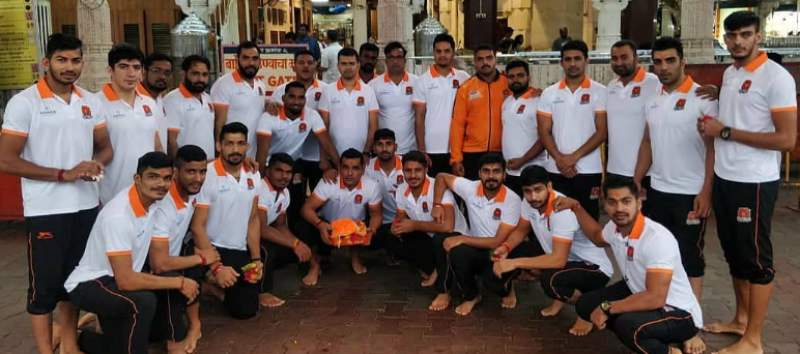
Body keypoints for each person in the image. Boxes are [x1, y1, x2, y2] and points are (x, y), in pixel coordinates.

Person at [0, 33, 113, 354]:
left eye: (76, 60)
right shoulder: (25, 102)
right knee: (43, 288)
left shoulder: (90, 102)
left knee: (74, 281)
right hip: (46, 209)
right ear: (47, 62)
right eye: (62, 60)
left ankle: (69, 345)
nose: (69, 67)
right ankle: (44, 349)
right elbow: (6, 160)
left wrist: (95, 163)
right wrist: (63, 174)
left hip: (86, 207)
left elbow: (106, 148)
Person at [697, 11, 797, 354]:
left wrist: (723, 131)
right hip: (726, 177)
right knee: (734, 254)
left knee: (756, 260)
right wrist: (719, 98)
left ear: (759, 36)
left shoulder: (777, 78)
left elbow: (786, 140)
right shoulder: (730, 72)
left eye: (745, 35)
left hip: (754, 182)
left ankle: (753, 340)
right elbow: (740, 108)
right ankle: (741, 320)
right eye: (731, 35)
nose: (737, 41)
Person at [64, 152, 201, 354]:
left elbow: (200, 175)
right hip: (92, 283)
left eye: (166, 178)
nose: (161, 184)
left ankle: (80, 338)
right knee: (144, 301)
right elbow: (126, 281)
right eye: (153, 177)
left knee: (164, 285)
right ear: (137, 179)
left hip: (121, 280)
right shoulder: (119, 215)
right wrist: (181, 283)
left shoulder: (153, 201)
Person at [555, 176, 706, 354]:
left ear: (638, 204)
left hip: (679, 312)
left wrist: (607, 308)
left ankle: (670, 350)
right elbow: (596, 236)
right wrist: (576, 207)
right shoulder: (614, 227)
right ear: (604, 205)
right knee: (585, 304)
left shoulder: (657, 238)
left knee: (628, 326)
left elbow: (656, 297)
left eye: (626, 201)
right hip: (640, 291)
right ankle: (649, 333)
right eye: (612, 202)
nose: (619, 208)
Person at [634, 37, 718, 303]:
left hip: (690, 193)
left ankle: (691, 316)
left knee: (690, 256)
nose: (663, 67)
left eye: (670, 61)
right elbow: (648, 141)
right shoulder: (653, 100)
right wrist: (636, 179)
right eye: (657, 62)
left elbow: (714, 149)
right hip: (658, 191)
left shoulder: (703, 98)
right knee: (661, 253)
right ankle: (666, 305)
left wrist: (706, 192)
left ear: (683, 62)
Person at [492, 166, 613, 336]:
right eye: (527, 191)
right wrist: (505, 248)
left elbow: (558, 260)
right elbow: (521, 230)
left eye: (538, 190)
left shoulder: (561, 210)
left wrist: (514, 263)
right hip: (565, 259)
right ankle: (561, 299)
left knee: (551, 281)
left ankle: (589, 307)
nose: (533, 197)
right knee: (514, 250)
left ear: (549, 187)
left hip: (594, 268)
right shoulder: (528, 203)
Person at [428, 153, 522, 315]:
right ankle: (470, 296)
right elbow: (441, 177)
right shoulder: (471, 187)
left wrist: (462, 238)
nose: (491, 176)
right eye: (486, 171)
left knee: (492, 283)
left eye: (496, 171)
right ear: (479, 174)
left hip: (500, 251)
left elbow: (496, 241)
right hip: (476, 247)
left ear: (504, 175)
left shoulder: (512, 200)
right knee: (449, 246)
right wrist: (437, 205)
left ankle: (508, 289)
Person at [147, 145, 220, 353]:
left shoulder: (193, 191)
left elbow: (225, 162)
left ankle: (194, 325)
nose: (198, 178)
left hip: (170, 260)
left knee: (193, 257)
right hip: (147, 269)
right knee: (183, 271)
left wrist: (249, 163)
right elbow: (159, 263)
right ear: (176, 173)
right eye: (191, 172)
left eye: (203, 171)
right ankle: (175, 342)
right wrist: (202, 259)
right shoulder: (163, 204)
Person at [190, 122, 263, 319]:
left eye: (240, 144)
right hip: (210, 247)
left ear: (247, 147)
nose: (235, 149)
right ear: (219, 146)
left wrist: (256, 259)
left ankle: (212, 288)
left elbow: (253, 219)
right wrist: (217, 267)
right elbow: (197, 227)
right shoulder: (206, 175)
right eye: (229, 144)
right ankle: (208, 278)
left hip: (238, 249)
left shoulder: (254, 175)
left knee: (247, 310)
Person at [537, 40, 607, 220]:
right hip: (556, 168)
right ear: (561, 62)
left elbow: (602, 132)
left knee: (588, 218)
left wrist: (572, 158)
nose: (573, 63)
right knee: (558, 218)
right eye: (568, 59)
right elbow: (544, 132)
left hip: (588, 170)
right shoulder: (549, 93)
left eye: (577, 58)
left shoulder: (600, 92)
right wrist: (560, 160)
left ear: (586, 60)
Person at [265, 50, 332, 234]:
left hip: (319, 157)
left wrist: (325, 158)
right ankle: (295, 237)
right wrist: (267, 104)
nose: (306, 66)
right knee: (295, 200)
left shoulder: (325, 89)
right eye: (301, 62)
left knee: (320, 200)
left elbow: (324, 125)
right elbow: (273, 114)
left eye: (310, 62)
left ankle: (319, 240)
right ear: (293, 66)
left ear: (315, 66)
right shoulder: (282, 90)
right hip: (295, 157)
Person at [388, 151, 469, 287]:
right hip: (429, 236)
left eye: (418, 170)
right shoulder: (401, 190)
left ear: (426, 170)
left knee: (440, 239)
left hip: (455, 239)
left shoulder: (437, 188)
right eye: (408, 170)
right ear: (402, 171)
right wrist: (396, 227)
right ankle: (433, 268)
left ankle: (442, 271)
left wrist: (413, 225)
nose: (413, 175)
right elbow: (400, 219)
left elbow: (448, 227)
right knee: (392, 239)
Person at [98, 43, 165, 205]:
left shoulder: (149, 102)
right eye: (123, 67)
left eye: (136, 68)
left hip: (148, 195)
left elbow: (156, 147)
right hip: (110, 196)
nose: (131, 73)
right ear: (110, 71)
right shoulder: (96, 103)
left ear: (142, 72)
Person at [300, 148, 383, 275]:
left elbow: (376, 215)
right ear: (339, 168)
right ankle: (314, 265)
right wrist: (320, 224)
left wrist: (372, 229)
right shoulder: (328, 182)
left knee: (372, 228)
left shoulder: (371, 185)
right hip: (328, 227)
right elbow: (306, 209)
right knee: (302, 227)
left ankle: (355, 258)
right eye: (345, 167)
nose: (349, 173)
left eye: (355, 168)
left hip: (354, 227)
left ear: (362, 169)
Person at [605, 40, 661, 212]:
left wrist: (714, 89)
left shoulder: (654, 83)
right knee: (620, 221)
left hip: (646, 172)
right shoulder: (611, 86)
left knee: (645, 223)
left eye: (624, 57)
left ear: (636, 58)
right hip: (615, 170)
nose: (619, 62)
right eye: (614, 58)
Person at [256, 153, 319, 303]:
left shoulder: (285, 192)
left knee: (300, 236)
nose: (284, 176)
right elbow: (262, 229)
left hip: (263, 233)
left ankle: (313, 265)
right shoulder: (261, 189)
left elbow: (279, 225)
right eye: (279, 171)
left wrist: (299, 244)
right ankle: (261, 292)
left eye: (288, 172)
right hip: (244, 238)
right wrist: (295, 244)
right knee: (267, 250)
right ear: (268, 171)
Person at [413, 34, 471, 177]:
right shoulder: (423, 81)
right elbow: (419, 118)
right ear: (433, 53)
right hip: (433, 148)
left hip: (459, 148)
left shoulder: (464, 78)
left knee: (458, 194)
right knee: (435, 194)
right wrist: (422, 150)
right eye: (438, 51)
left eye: (447, 51)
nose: (442, 55)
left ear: (454, 53)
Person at [450, 44, 509, 180]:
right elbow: (457, 124)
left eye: (489, 58)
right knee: (473, 197)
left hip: (501, 152)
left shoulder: (508, 85)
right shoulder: (466, 88)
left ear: (496, 59)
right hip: (472, 153)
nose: (485, 62)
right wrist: (456, 159)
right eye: (480, 59)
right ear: (475, 62)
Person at [318, 47, 379, 157]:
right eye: (344, 64)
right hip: (334, 156)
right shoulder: (328, 91)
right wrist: (323, 157)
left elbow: (373, 126)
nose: (348, 67)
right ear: (338, 66)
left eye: (351, 63)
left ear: (358, 65)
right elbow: (323, 128)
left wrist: (366, 152)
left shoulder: (368, 91)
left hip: (362, 156)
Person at [211, 41, 266, 158]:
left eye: (255, 58)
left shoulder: (260, 85)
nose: (251, 63)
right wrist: (220, 154)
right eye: (246, 58)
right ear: (237, 59)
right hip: (230, 155)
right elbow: (218, 123)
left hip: (251, 154)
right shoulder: (224, 84)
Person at [501, 60, 545, 196]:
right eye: (511, 77)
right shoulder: (506, 103)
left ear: (529, 78)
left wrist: (522, 160)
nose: (516, 80)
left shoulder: (539, 101)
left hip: (533, 171)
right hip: (511, 172)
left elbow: (545, 139)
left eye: (520, 76)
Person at [369, 41, 419, 154]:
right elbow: (371, 119)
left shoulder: (417, 82)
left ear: (405, 60)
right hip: (384, 150)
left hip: (411, 148)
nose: (395, 61)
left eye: (399, 57)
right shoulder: (374, 85)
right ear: (386, 61)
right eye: (391, 57)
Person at [164, 55, 215, 159]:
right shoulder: (172, 100)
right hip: (187, 169)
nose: (200, 79)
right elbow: (171, 141)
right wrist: (179, 168)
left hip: (209, 166)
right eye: (195, 74)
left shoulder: (208, 98)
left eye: (204, 74)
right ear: (183, 74)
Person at [365, 129, 405, 240]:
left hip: (405, 220)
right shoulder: (367, 168)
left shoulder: (407, 165)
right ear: (374, 148)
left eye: (388, 144)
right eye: (380, 144)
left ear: (396, 147)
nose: (384, 149)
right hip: (379, 222)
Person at [138, 53, 173, 149]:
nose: (162, 77)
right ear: (144, 72)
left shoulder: (160, 99)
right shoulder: (134, 98)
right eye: (156, 71)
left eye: (167, 73)